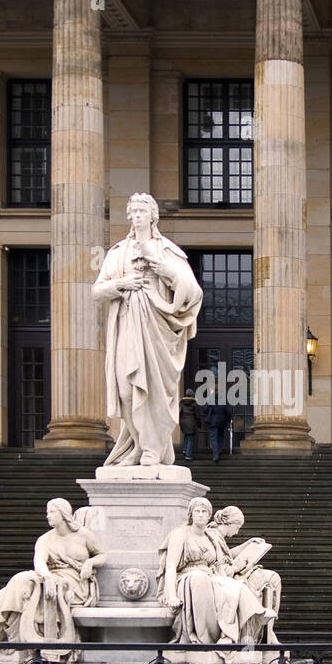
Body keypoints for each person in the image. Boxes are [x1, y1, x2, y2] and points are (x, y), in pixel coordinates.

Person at [93, 193, 203, 467]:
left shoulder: (169, 251)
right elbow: (97, 291)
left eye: (143, 210)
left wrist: (166, 271)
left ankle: (152, 448)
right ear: (129, 216)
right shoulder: (117, 253)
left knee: (153, 391)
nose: (138, 215)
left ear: (154, 216)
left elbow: (193, 291)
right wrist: (121, 284)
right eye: (134, 211)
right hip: (128, 324)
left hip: (158, 327)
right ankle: (138, 445)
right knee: (127, 390)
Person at [0, 498, 106, 662]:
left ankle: (14, 642)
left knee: (28, 587)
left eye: (51, 512)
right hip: (50, 576)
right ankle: (14, 639)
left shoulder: (83, 534)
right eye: (47, 512)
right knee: (18, 583)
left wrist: (90, 562)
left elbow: (102, 555)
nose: (47, 516)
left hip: (75, 582)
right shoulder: (45, 539)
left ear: (63, 513)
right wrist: (47, 577)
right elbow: (40, 562)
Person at [158, 497, 275, 659]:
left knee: (237, 587)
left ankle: (231, 637)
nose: (200, 515)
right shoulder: (180, 534)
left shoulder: (210, 537)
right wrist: (171, 595)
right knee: (201, 579)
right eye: (197, 511)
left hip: (212, 576)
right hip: (187, 577)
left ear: (209, 516)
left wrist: (246, 546)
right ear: (191, 514)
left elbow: (223, 561)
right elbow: (170, 567)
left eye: (204, 512)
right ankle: (206, 640)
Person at [211, 506, 282, 645]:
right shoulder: (213, 537)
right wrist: (238, 566)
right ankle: (261, 631)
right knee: (272, 578)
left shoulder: (217, 536)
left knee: (273, 578)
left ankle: (268, 629)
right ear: (230, 523)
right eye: (237, 527)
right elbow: (220, 570)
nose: (237, 532)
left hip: (232, 574)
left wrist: (247, 544)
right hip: (226, 579)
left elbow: (227, 555)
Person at [179, 388, 199, 460]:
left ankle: (185, 449)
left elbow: (179, 413)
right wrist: (199, 424)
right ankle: (188, 454)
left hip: (183, 422)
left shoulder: (181, 403)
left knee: (186, 436)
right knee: (190, 438)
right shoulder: (194, 404)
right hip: (191, 422)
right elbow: (197, 415)